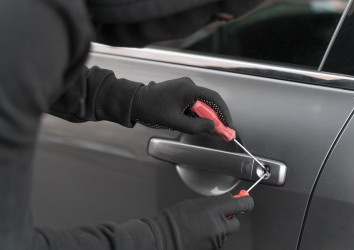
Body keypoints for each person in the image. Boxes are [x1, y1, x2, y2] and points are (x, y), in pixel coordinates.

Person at [0, 0, 263, 249]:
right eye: (214, 16)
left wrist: (129, 100)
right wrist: (161, 238)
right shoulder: (33, 21)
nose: (202, 28)